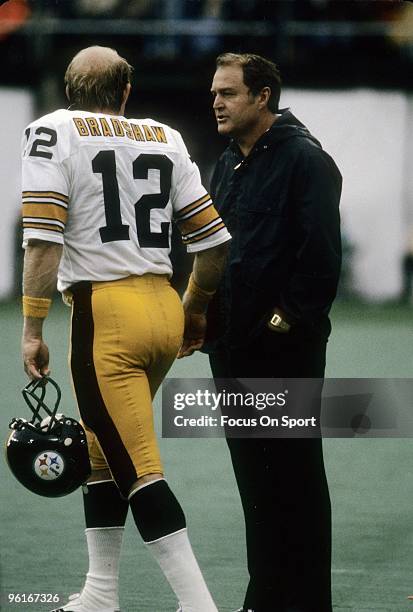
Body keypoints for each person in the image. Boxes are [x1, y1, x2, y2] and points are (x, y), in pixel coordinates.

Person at [20, 45, 230, 612]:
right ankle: (100, 592)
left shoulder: (52, 130)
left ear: (68, 89)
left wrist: (32, 327)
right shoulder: (165, 137)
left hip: (104, 316)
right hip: (163, 305)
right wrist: (193, 307)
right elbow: (211, 245)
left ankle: (198, 605)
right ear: (126, 94)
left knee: (137, 466)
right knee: (101, 451)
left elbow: (43, 240)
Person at [206, 53, 342, 611]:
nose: (216, 102)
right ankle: (265, 596)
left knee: (295, 482)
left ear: (263, 97)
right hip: (232, 351)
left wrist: (282, 324)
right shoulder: (227, 163)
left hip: (282, 352)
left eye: (229, 93)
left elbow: (320, 261)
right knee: (256, 487)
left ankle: (307, 602)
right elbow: (215, 254)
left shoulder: (307, 161)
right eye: (215, 92)